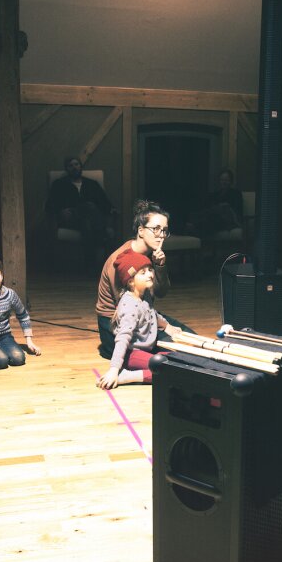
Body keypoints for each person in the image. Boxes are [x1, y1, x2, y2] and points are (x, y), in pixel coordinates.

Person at [95, 200, 192, 359]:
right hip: (117, 321)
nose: (161, 235)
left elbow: (160, 293)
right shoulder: (120, 260)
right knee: (177, 354)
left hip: (142, 310)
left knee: (190, 337)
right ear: (141, 231)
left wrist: (160, 266)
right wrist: (163, 327)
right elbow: (127, 309)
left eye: (164, 230)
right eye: (155, 229)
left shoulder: (148, 256)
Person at [96, 250, 181, 389]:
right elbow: (123, 337)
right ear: (131, 281)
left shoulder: (144, 294)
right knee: (170, 371)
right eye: (143, 273)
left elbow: (151, 313)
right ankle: (128, 376)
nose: (150, 274)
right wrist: (113, 369)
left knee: (179, 361)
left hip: (146, 351)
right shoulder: (130, 306)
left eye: (150, 270)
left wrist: (167, 326)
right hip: (132, 355)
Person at [46, 155, 115, 264]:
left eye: (76, 164)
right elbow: (50, 206)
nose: (74, 167)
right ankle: (102, 237)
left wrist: (110, 224)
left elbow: (106, 205)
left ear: (81, 167)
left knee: (86, 222)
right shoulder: (59, 184)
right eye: (70, 165)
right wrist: (61, 212)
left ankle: (90, 264)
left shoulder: (92, 184)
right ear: (66, 169)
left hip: (88, 221)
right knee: (89, 207)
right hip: (69, 219)